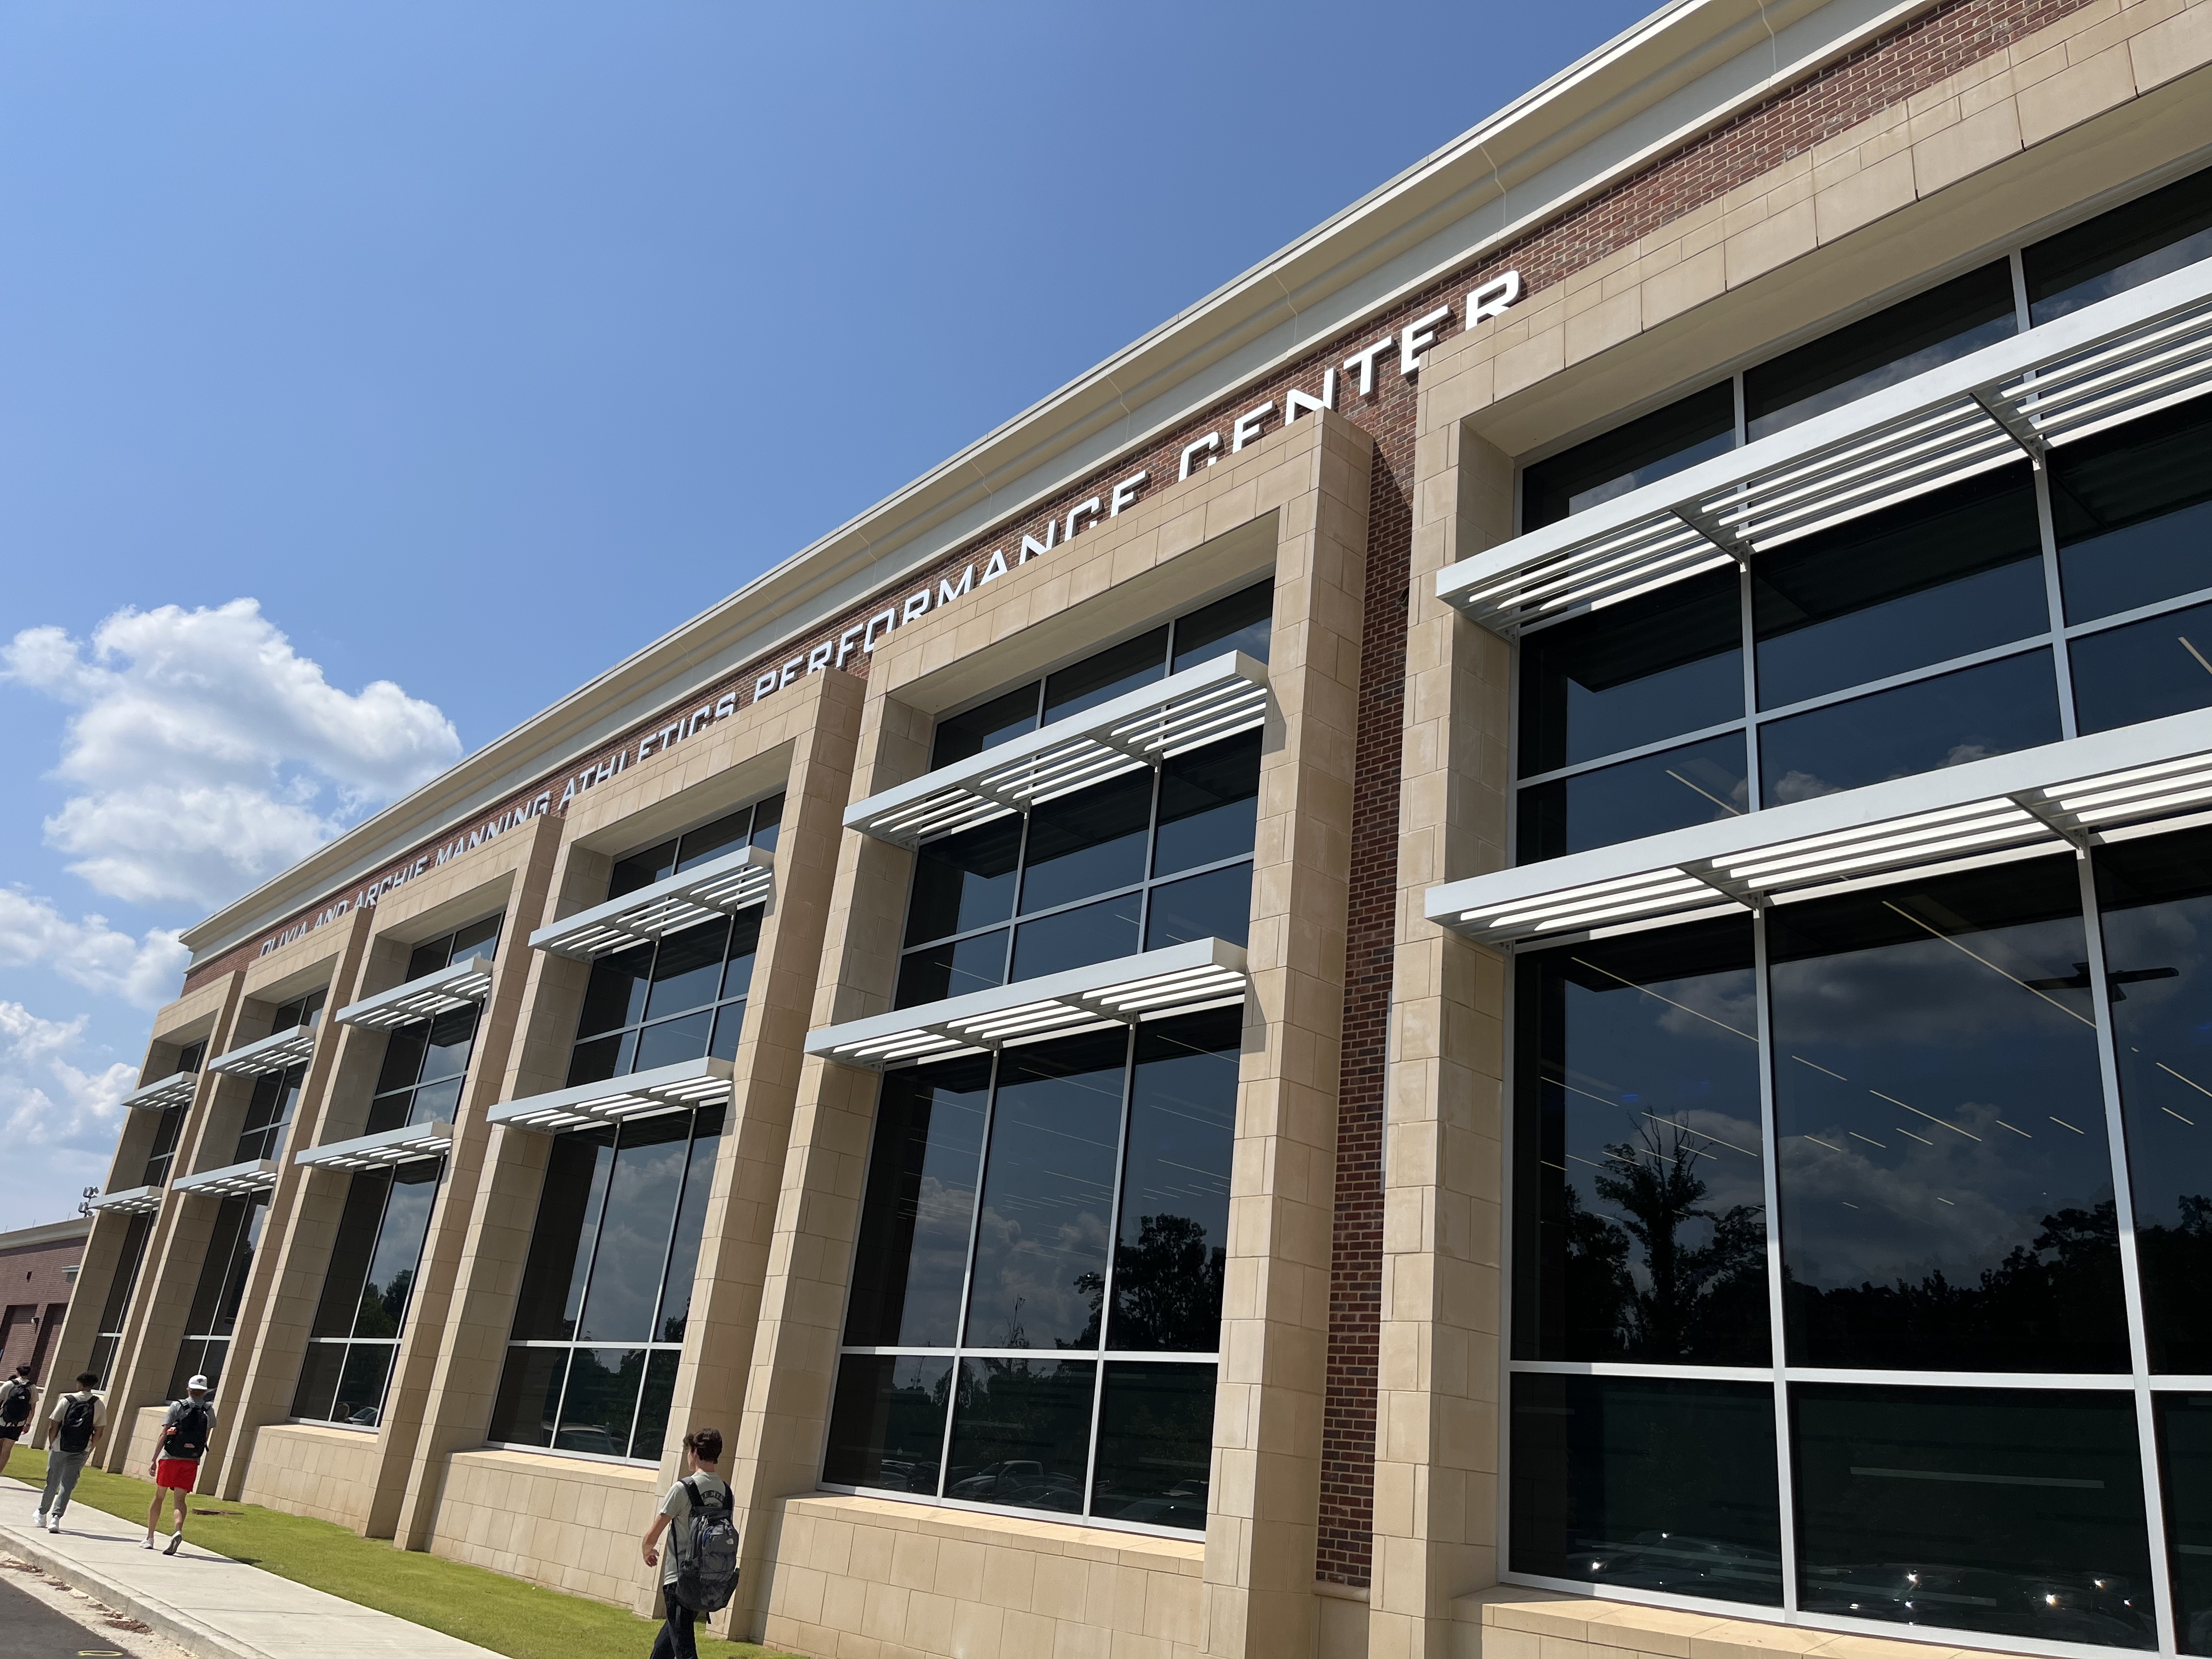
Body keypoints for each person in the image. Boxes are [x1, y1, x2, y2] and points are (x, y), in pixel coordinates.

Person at [640, 1428, 732, 1659]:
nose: (688, 1457)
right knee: (664, 1648)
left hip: (680, 1579)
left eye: (689, 1451)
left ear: (696, 1452)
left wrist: (647, 1549)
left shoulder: (683, 1488)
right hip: (708, 1580)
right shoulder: (727, 1492)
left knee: (685, 1651)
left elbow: (654, 1533)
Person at [145, 1374, 217, 1555]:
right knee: (180, 1500)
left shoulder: (177, 1406)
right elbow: (205, 1437)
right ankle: (177, 1530)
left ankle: (150, 1538)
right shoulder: (209, 1410)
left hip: (170, 1458)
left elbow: (164, 1434)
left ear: (188, 1389)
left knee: (159, 1496)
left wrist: (154, 1459)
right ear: (204, 1392)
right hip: (191, 1461)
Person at [36, 1372, 106, 1533]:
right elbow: (100, 1432)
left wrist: (52, 1443)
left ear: (79, 1384)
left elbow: (54, 1425)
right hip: (82, 1448)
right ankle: (56, 1518)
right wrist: (90, 1448)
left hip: (60, 1446)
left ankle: (42, 1514)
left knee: (52, 1481)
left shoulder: (67, 1400)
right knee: (67, 1485)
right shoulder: (98, 1404)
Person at [0, 1364, 35, 1479]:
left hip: (2, 1420)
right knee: (7, 1450)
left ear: (18, 1372)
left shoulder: (9, 1384)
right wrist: (28, 1423)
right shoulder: (32, 1388)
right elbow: (32, 1409)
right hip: (18, 1423)